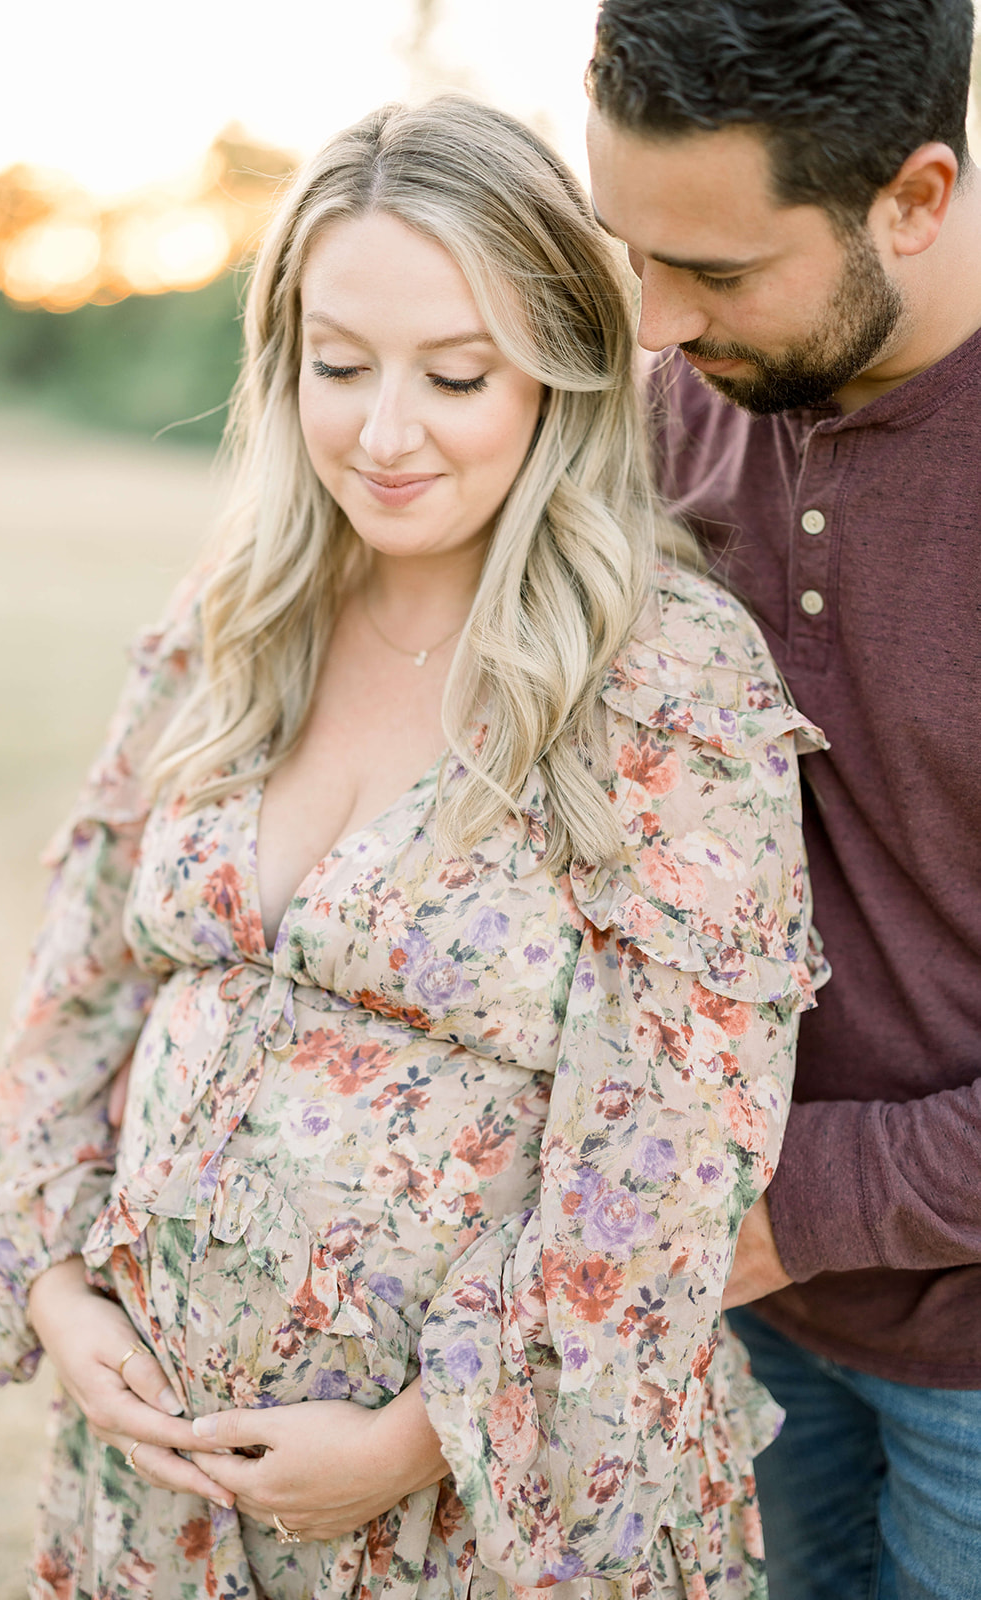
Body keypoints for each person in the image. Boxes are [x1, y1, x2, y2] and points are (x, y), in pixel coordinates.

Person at [0, 97, 823, 1600]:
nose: (385, 429)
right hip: (163, 1504)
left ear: (557, 367)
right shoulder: (232, 624)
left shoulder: (666, 680)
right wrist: (57, 1284)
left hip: (492, 1519)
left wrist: (421, 1436)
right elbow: (77, 993)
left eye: (457, 374)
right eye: (338, 365)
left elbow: (671, 1156)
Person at [585, 2, 981, 1596]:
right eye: (633, 247)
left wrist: (788, 1202)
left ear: (918, 196)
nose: (657, 325)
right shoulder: (683, 391)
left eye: (721, 272)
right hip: (738, 1310)